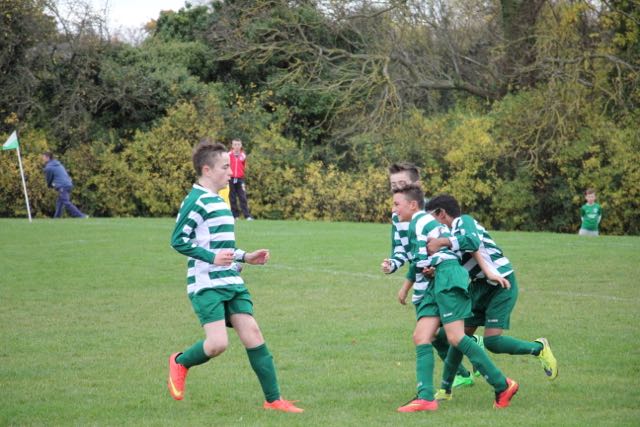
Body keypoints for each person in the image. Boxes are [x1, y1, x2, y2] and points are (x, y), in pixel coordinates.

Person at [167, 140, 302, 413]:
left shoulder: (219, 200)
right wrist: (211, 258)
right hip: (207, 284)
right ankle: (180, 362)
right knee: (217, 344)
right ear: (207, 170)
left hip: (230, 280)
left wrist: (245, 257)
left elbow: (222, 246)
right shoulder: (195, 200)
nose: (231, 172)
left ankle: (273, 400)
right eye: (224, 167)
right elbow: (178, 240)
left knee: (253, 333)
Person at [392, 185, 518, 412]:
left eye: (396, 204)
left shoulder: (430, 221)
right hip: (440, 279)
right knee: (422, 336)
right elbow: (423, 258)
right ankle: (426, 398)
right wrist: (410, 282)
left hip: (449, 278)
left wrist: (488, 271)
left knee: (456, 337)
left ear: (413, 205)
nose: (394, 209)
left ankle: (502, 385)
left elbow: (466, 245)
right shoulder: (421, 224)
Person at [424, 194, 558, 401]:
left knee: (493, 342)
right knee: (459, 337)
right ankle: (445, 389)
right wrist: (434, 271)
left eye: (431, 217)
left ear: (441, 213)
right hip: (478, 287)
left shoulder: (463, 221)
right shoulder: (450, 234)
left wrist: (441, 242)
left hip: (501, 284)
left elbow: (472, 241)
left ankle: (539, 348)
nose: (429, 223)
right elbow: (457, 260)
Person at [380, 163, 475, 389]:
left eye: (401, 183)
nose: (396, 188)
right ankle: (462, 373)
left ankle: (487, 370)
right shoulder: (398, 215)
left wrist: (434, 266)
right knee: (430, 334)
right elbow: (402, 251)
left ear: (416, 184)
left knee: (440, 334)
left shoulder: (431, 212)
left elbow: (450, 245)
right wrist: (392, 264)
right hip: (424, 277)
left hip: (446, 275)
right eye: (393, 185)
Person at [41, 152, 87, 218]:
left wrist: (49, 185)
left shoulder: (49, 167)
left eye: (43, 157)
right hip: (68, 184)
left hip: (63, 186)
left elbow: (49, 179)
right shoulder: (58, 164)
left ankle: (81, 215)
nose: (42, 158)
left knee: (66, 202)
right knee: (59, 202)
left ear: (48, 158)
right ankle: (56, 218)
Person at [228, 138, 253, 220]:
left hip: (240, 179)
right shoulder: (228, 155)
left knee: (243, 197)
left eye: (238, 144)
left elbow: (243, 166)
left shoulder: (243, 156)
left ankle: (247, 216)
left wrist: (241, 174)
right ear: (232, 145)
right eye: (235, 144)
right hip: (231, 178)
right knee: (232, 197)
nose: (237, 146)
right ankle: (235, 216)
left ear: (241, 145)